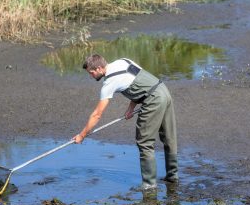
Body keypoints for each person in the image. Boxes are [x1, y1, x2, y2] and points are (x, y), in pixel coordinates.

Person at [73, 54, 178, 189]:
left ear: (99, 68)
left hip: (153, 99)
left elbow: (97, 115)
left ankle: (149, 184)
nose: (91, 76)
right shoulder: (123, 61)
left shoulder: (109, 83)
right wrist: (130, 108)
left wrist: (82, 135)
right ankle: (172, 176)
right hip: (163, 90)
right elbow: (138, 82)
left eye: (91, 73)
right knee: (169, 137)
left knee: (144, 142)